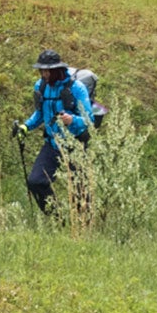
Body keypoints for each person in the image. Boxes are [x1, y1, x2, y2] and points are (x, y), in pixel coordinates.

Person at [19, 48, 96, 212]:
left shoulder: (77, 88)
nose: (44, 74)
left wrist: (72, 120)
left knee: (80, 191)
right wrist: (25, 126)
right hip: (52, 144)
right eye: (42, 70)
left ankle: (84, 229)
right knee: (36, 182)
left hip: (75, 144)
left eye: (47, 71)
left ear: (57, 70)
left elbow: (89, 119)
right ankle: (57, 217)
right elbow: (39, 113)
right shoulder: (40, 86)